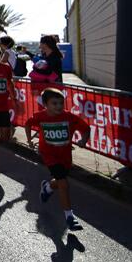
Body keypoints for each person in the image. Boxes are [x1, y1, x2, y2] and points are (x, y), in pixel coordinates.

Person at [25, 88, 91, 231]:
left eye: (61, 103)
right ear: (45, 104)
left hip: (65, 156)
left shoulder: (70, 117)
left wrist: (83, 141)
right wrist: (29, 139)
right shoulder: (40, 116)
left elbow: (86, 128)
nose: (59, 106)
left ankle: (47, 188)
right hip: (49, 155)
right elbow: (28, 123)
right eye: (54, 103)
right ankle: (69, 217)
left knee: (60, 182)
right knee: (64, 183)